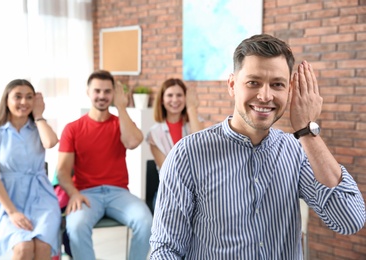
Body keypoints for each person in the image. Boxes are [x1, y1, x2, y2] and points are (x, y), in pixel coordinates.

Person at [149, 34, 366, 259]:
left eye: (277, 84)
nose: (265, 95)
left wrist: (307, 131)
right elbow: (166, 249)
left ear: (288, 91)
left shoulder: (297, 151)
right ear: (232, 85)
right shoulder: (187, 154)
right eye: (253, 82)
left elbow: (349, 220)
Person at [57, 70, 153, 260]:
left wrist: (121, 107)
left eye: (107, 91)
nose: (102, 96)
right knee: (75, 226)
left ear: (114, 94)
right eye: (97, 91)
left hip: (118, 193)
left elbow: (133, 142)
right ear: (88, 92)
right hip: (86, 194)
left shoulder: (121, 123)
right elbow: (62, 171)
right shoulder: (73, 128)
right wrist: (74, 194)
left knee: (146, 222)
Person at [0, 79, 61, 259]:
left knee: (43, 247)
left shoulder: (39, 127)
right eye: (18, 97)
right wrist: (12, 212)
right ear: (6, 100)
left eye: (29, 97)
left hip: (42, 199)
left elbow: (51, 142)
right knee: (23, 247)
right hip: (7, 200)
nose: (24, 102)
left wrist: (39, 115)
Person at [146, 78, 204, 209]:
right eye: (170, 95)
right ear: (162, 100)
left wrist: (191, 108)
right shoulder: (154, 134)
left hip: (198, 191)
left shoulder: (195, 122)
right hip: (169, 193)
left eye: (179, 95)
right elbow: (168, 171)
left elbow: (202, 146)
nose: (175, 100)